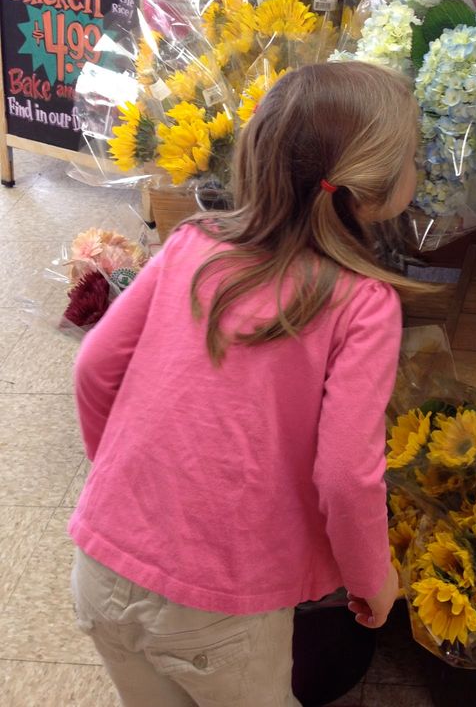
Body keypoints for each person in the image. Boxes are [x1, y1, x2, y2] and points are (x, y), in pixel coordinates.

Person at [69, 61, 422, 707]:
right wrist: (374, 579)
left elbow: (93, 369)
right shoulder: (362, 304)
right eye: (414, 161)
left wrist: (130, 489)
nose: (419, 174)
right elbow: (346, 474)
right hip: (220, 610)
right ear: (371, 190)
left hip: (99, 564)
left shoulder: (190, 245)